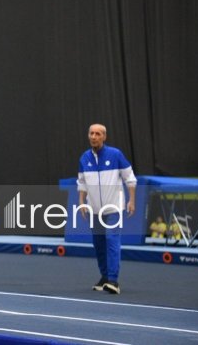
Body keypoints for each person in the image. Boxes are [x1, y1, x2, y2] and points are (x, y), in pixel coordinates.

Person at [77, 123, 137, 295]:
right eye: (91, 133)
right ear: (88, 136)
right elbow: (81, 182)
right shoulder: (84, 158)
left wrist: (131, 200)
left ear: (104, 137)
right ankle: (104, 277)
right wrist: (81, 201)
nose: (94, 136)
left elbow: (130, 178)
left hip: (114, 208)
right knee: (98, 244)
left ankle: (113, 281)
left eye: (98, 134)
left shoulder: (115, 155)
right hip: (94, 210)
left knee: (111, 240)